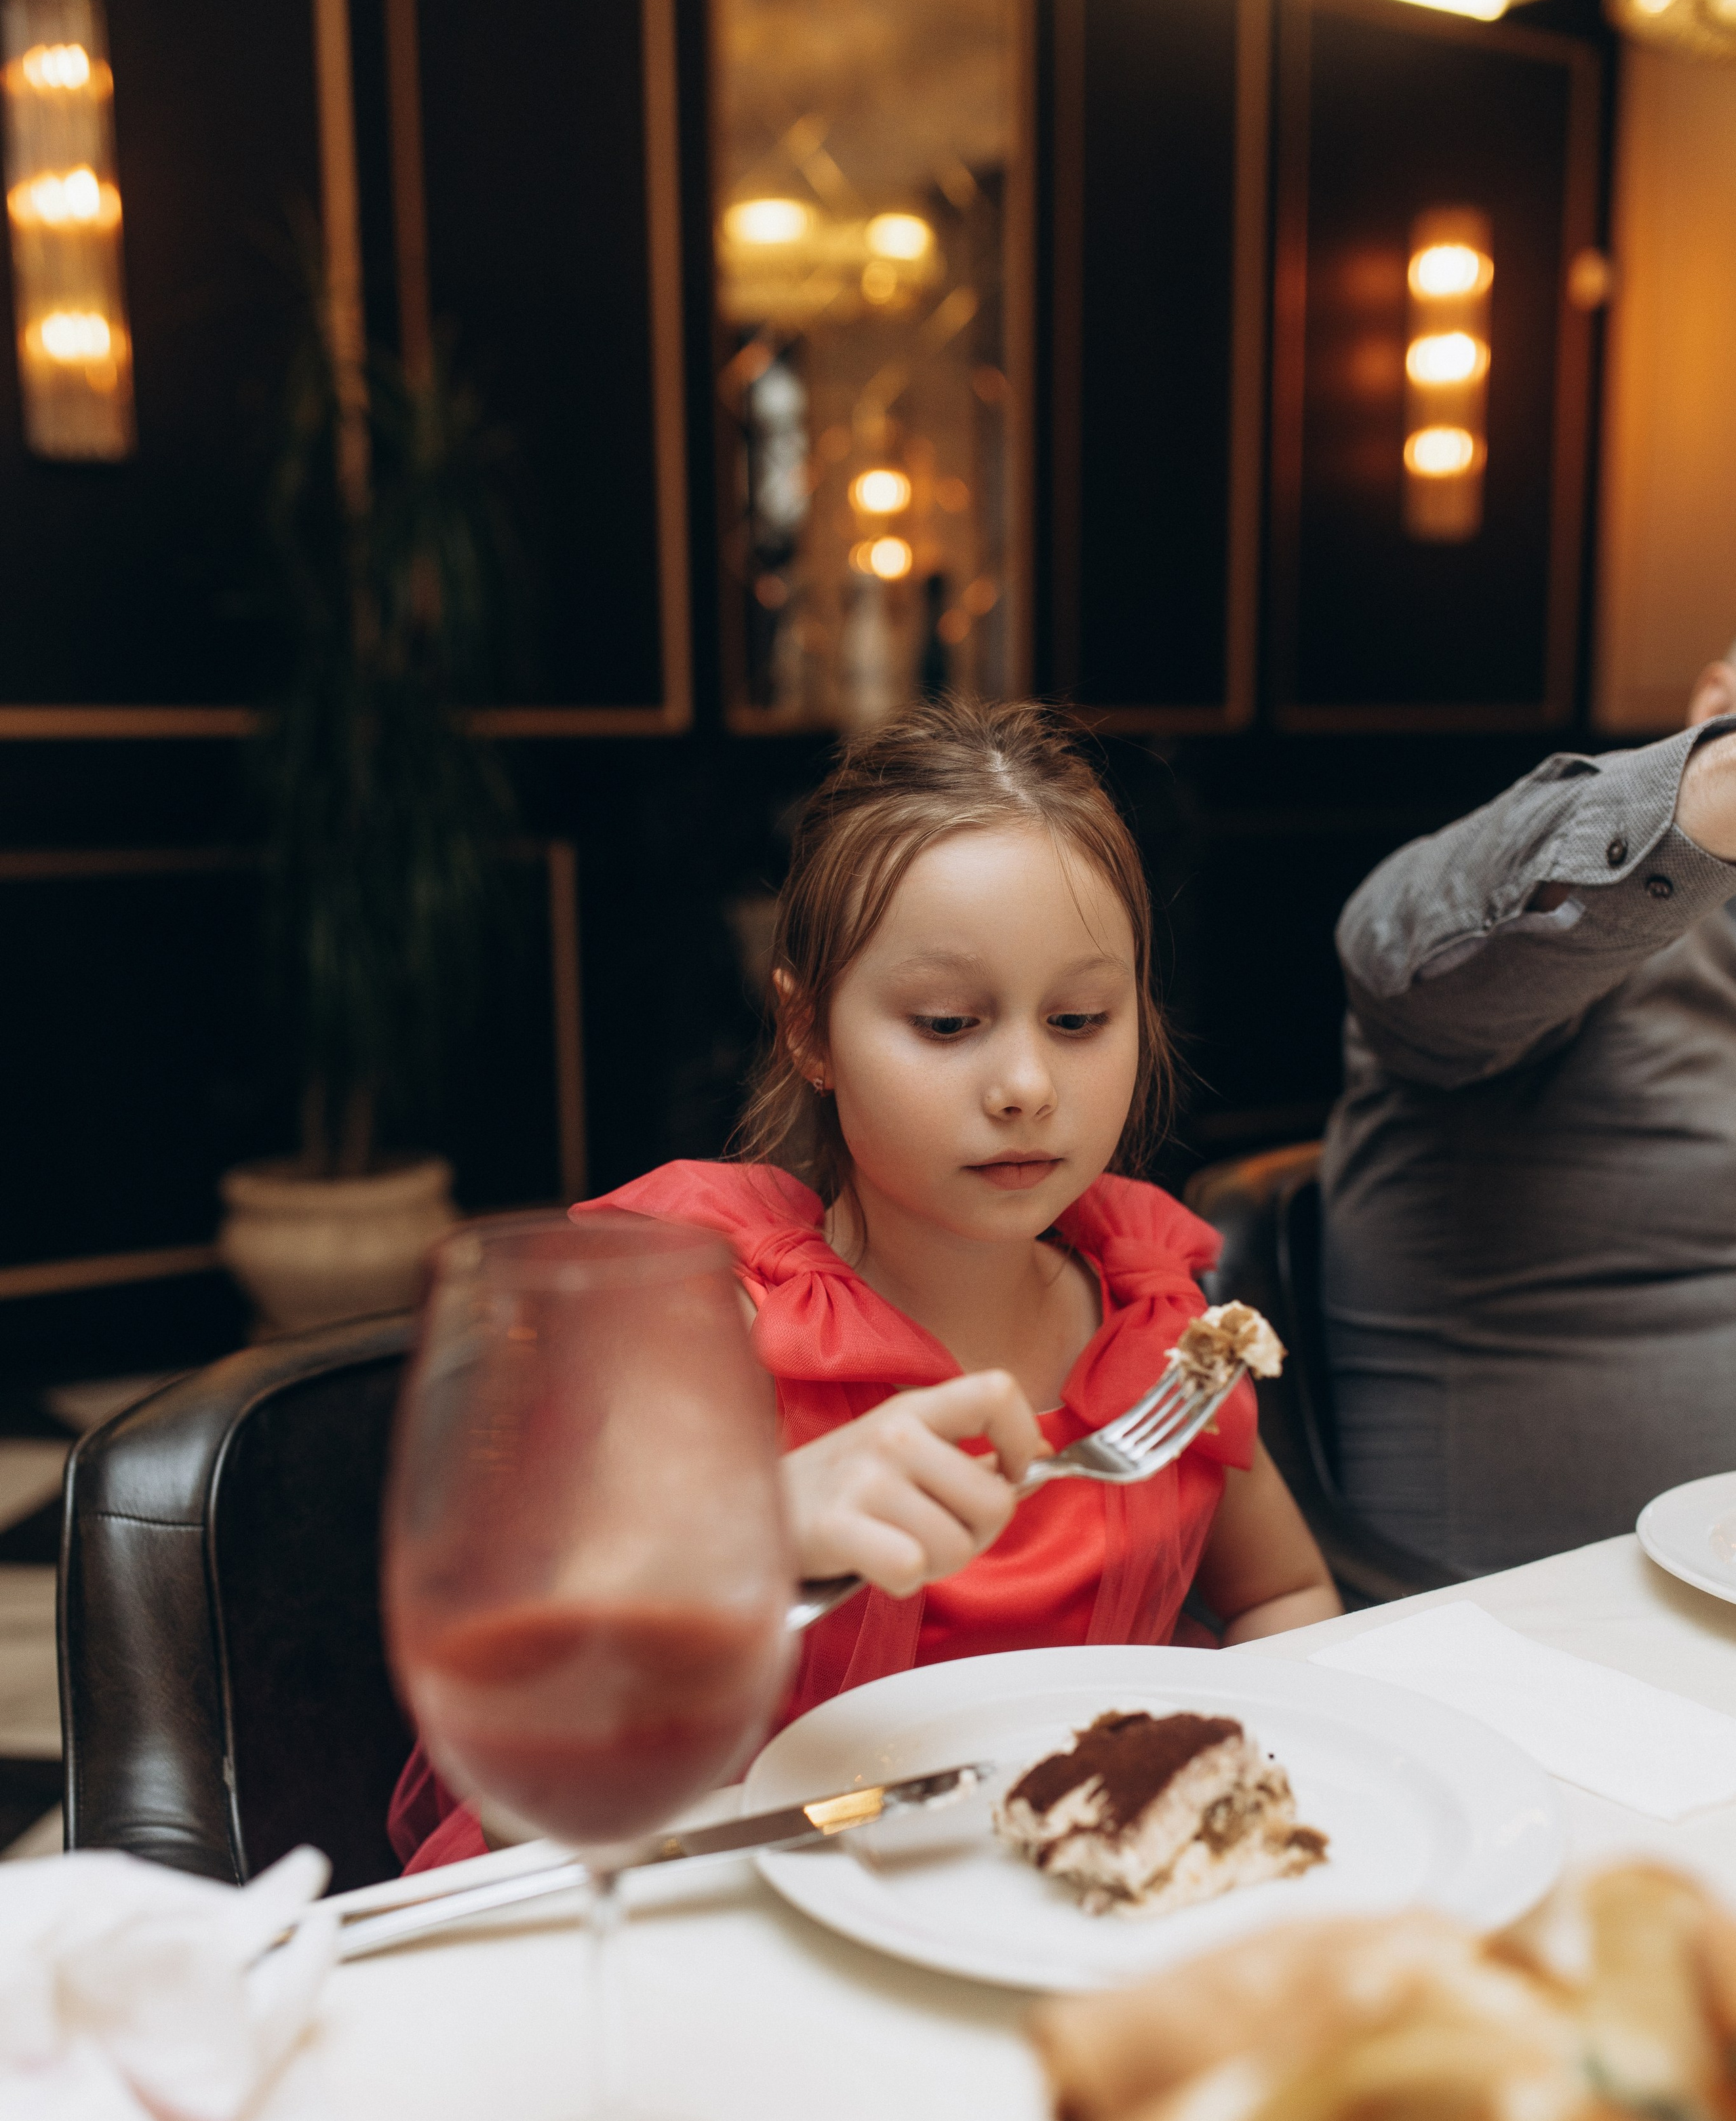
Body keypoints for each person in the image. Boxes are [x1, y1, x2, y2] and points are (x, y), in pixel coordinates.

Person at [391, 698, 1341, 1871]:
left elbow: (1283, 1595)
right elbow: (535, 1766)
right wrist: (752, 1538)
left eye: (1083, 1018)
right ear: (810, 1032)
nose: (1027, 1084)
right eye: (948, 1023)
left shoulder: (1160, 1322)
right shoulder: (702, 1324)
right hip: (717, 1922)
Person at [1322, 648, 1736, 1579]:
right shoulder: (1596, 935)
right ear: (1714, 700)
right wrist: (1719, 784)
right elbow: (1392, 948)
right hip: (1525, 1617)